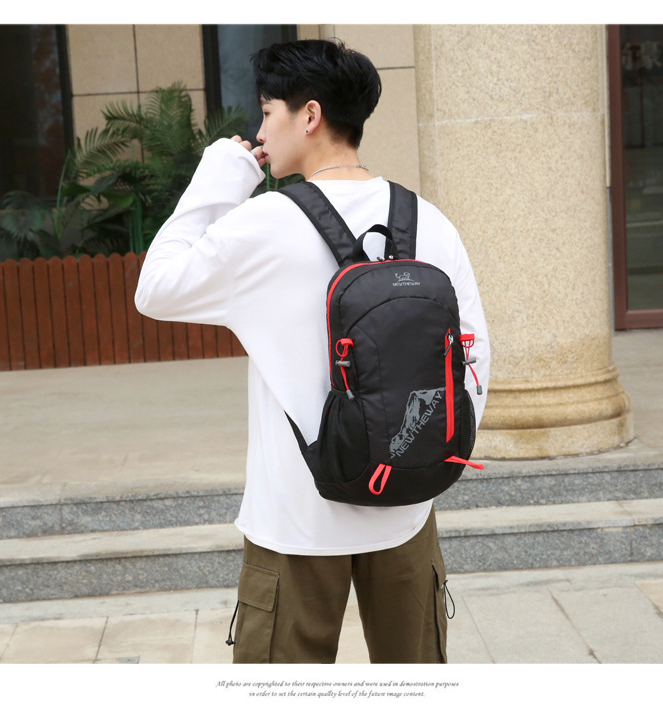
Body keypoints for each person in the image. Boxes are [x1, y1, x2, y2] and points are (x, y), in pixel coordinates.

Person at [135, 38, 489, 664]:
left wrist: (222, 175)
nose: (260, 132)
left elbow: (155, 289)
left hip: (297, 517)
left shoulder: (263, 224)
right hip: (405, 506)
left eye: (268, 111)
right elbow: (475, 355)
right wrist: (419, 454)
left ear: (310, 115)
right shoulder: (429, 220)